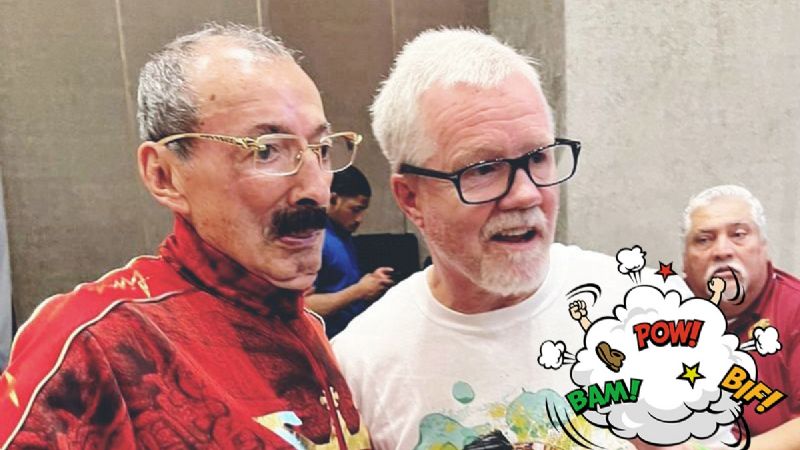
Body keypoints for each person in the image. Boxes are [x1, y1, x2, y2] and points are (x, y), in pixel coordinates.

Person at [0, 24, 371, 449]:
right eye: (265, 150)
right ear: (164, 175)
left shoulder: (306, 326)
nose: (316, 189)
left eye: (321, 150)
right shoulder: (96, 344)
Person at [331, 28, 690, 450]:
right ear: (411, 198)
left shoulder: (646, 308)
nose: (526, 194)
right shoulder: (361, 365)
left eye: (538, 157)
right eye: (483, 169)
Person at [682, 184, 800, 445]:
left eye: (738, 235)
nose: (721, 251)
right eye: (704, 240)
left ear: (763, 247)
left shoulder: (795, 311)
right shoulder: (663, 309)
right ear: (686, 260)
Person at [305, 166, 393, 338]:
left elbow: (341, 284)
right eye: (355, 210)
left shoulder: (342, 234)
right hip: (330, 341)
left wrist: (372, 282)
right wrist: (359, 291)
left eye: (363, 210)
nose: (360, 219)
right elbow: (305, 307)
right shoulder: (313, 240)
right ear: (333, 199)